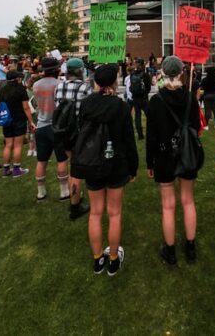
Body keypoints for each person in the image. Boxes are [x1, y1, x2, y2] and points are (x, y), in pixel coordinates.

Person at [72, 64, 138, 276]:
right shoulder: (120, 107)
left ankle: (98, 258)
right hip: (116, 163)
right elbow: (129, 141)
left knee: (95, 212)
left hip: (92, 163)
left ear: (97, 83)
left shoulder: (86, 104)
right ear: (113, 83)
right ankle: (112, 259)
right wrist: (133, 167)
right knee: (114, 213)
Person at [146, 56, 203, 265]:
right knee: (188, 200)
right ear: (180, 72)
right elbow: (197, 128)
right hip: (186, 154)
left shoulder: (156, 100)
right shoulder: (189, 98)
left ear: (162, 73)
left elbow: (151, 135)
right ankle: (190, 248)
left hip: (163, 157)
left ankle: (170, 251)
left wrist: (150, 163)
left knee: (168, 206)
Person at [54, 58, 93, 220]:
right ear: (80, 71)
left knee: (72, 165)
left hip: (62, 133)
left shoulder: (59, 87)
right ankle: (75, 206)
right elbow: (90, 111)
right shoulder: (84, 88)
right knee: (77, 171)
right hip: (79, 133)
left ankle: (75, 197)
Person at [31, 57, 69, 201]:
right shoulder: (60, 85)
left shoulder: (36, 85)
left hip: (41, 125)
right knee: (62, 158)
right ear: (57, 69)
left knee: (41, 160)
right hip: (57, 126)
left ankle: (41, 192)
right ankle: (64, 191)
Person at [0, 71, 34, 178]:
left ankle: (6, 169)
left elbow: (0, 107)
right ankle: (17, 169)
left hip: (6, 120)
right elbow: (26, 107)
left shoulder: (1, 91)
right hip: (19, 119)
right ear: (17, 78)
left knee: (8, 145)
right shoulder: (21, 89)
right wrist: (31, 121)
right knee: (18, 145)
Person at [129, 59, 152, 139]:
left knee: (137, 117)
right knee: (149, 116)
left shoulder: (132, 74)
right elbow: (149, 88)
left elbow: (130, 86)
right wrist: (145, 93)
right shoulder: (145, 75)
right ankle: (151, 132)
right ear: (143, 65)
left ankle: (140, 135)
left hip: (135, 99)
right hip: (144, 98)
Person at [199, 67, 215, 131]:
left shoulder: (204, 80)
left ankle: (206, 125)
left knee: (207, 111)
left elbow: (201, 88)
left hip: (207, 96)